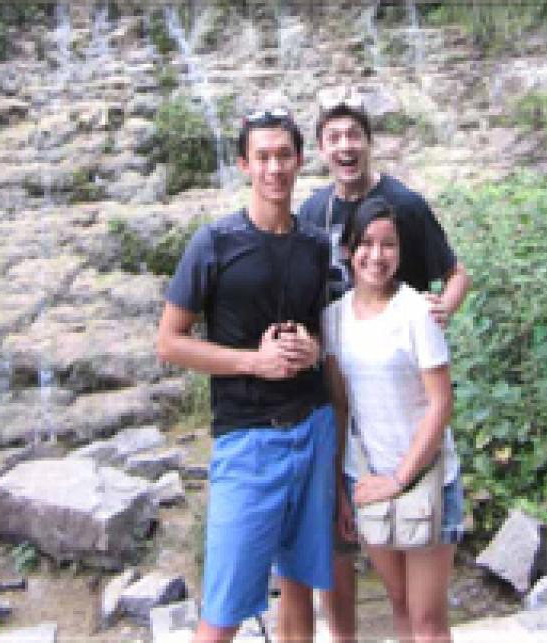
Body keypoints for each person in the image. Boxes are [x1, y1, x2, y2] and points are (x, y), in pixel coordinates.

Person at [291, 89, 470, 641]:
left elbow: (456, 274)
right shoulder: (314, 214)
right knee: (394, 602)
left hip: (410, 399)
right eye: (334, 137)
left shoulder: (406, 208)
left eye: (354, 135)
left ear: (369, 143)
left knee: (426, 617)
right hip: (360, 446)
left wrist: (441, 307)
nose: (345, 145)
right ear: (320, 149)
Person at [157, 108, 336, 643]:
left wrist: (313, 350)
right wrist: (251, 362)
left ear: (300, 162)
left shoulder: (314, 244)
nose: (274, 168)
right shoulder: (213, 243)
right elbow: (169, 343)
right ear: (243, 165)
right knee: (224, 609)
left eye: (284, 156)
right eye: (263, 157)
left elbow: (324, 333)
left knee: (301, 586)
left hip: (313, 426)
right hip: (247, 439)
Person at [324, 196, 459, 642]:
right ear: (348, 250)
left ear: (400, 253)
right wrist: (342, 492)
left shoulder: (417, 312)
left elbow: (441, 404)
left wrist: (400, 478)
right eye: (366, 244)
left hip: (424, 477)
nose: (377, 256)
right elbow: (342, 407)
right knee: (399, 604)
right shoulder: (334, 319)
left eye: (389, 245)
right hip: (366, 479)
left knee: (427, 620)